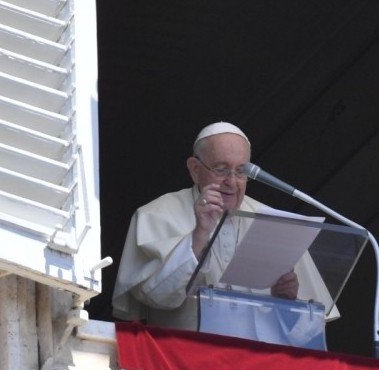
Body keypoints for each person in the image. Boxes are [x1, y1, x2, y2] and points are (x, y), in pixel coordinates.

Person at [112, 122, 337, 332]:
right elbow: (156, 297)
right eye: (221, 169)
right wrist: (199, 235)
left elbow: (308, 331)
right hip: (185, 362)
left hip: (257, 365)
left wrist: (285, 302)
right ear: (195, 169)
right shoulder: (156, 215)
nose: (231, 181)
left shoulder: (274, 222)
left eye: (241, 171)